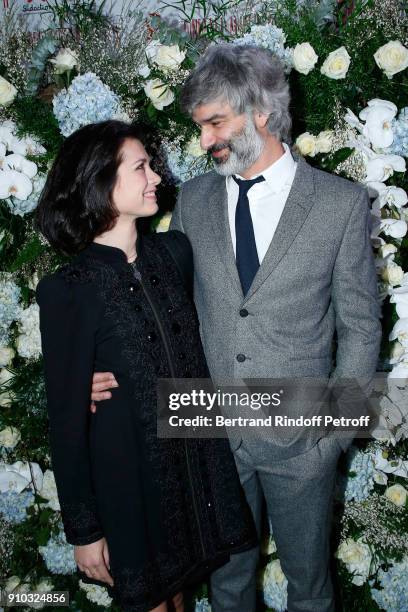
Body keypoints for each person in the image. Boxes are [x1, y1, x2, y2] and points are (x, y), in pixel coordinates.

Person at [90, 46, 382, 612]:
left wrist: (332, 438)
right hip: (211, 436)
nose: (204, 141)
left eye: (215, 122)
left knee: (311, 587)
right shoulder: (195, 199)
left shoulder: (340, 204)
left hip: (302, 441)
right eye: (200, 126)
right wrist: (97, 367)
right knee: (225, 587)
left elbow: (361, 328)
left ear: (262, 114)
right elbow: (159, 305)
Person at [35, 119, 257, 612]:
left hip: (193, 476)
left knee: (182, 598)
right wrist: (85, 531)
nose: (155, 176)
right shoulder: (67, 290)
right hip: (129, 486)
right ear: (101, 182)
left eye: (151, 165)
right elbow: (66, 425)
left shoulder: (173, 254)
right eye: (141, 167)